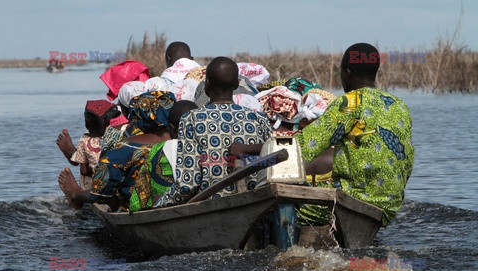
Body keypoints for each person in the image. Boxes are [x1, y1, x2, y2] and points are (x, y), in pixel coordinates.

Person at [296, 43, 414, 226]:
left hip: (349, 200)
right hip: (389, 207)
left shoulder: (349, 103)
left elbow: (302, 147)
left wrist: (256, 149)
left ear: (346, 73)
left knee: (287, 209)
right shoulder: (399, 106)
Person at [154, 57, 272, 207]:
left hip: (211, 209)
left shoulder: (191, 119)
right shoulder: (259, 118)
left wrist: (161, 202)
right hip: (257, 204)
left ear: (207, 84)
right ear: (236, 84)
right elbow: (272, 162)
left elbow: (187, 184)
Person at [58, 91, 176, 212]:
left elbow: (99, 192)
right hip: (176, 198)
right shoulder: (181, 142)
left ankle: (76, 196)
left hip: (137, 206)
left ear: (137, 117)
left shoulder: (121, 150)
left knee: (104, 188)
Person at [56, 100, 121, 189]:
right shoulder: (117, 135)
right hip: (115, 178)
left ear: (87, 124)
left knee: (85, 170)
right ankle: (73, 154)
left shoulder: (85, 139)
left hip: (94, 180)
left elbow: (84, 170)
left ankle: (73, 154)